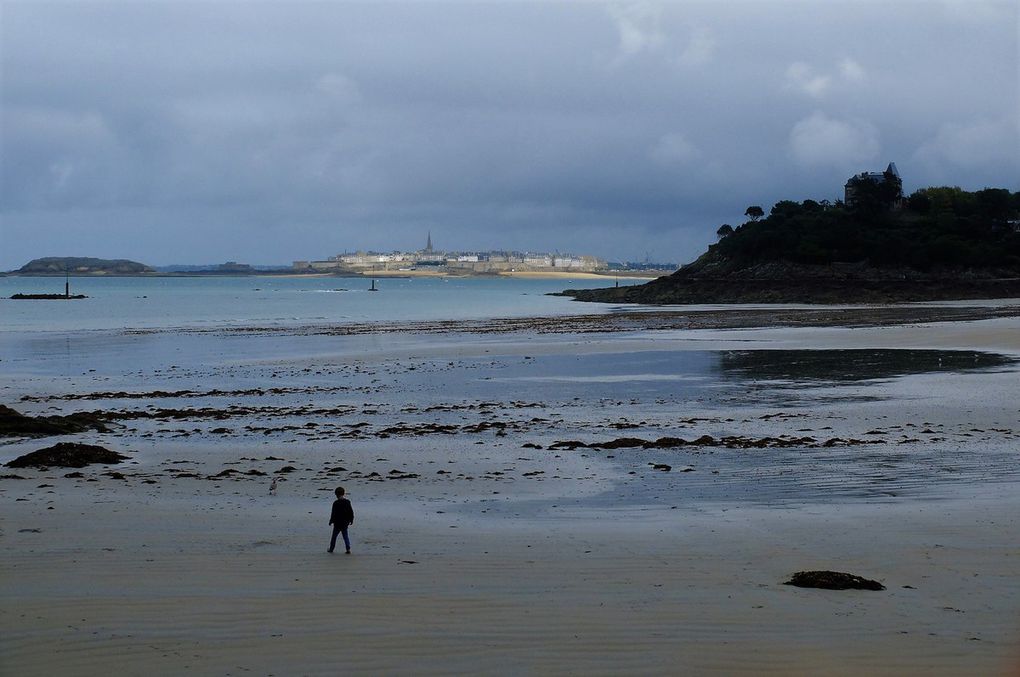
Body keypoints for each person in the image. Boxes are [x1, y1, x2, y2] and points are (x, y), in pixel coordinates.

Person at [328, 486, 354, 554]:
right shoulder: (347, 502)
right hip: (345, 522)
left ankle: (331, 549)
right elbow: (350, 512)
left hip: (337, 523)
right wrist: (351, 519)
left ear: (336, 494)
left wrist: (331, 521)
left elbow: (333, 513)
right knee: (345, 536)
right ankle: (348, 548)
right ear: (343, 493)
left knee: (334, 537)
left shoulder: (336, 503)